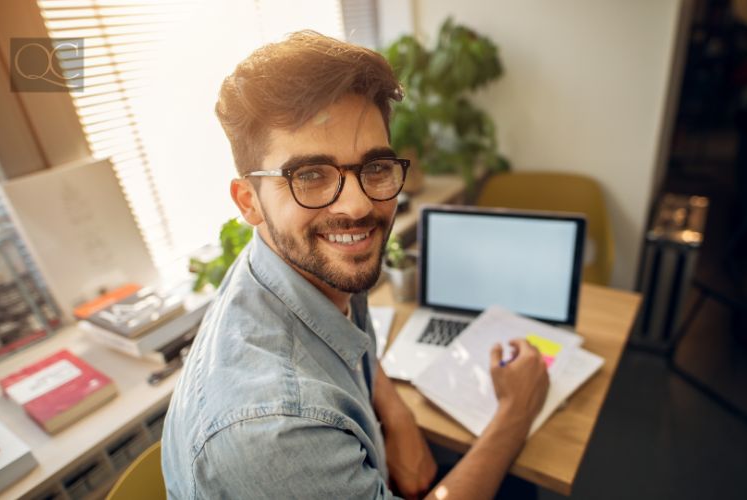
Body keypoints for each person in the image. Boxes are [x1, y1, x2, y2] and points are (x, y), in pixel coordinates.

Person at [161, 31, 549, 500]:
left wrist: (399, 415)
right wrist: (515, 411)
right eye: (309, 175)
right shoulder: (271, 436)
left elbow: (345, 340)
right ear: (250, 202)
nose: (358, 205)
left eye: (375, 167)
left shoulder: (308, 265)